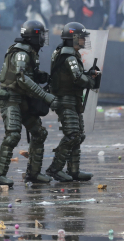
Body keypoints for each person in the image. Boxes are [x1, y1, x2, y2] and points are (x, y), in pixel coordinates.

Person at [0, 20, 56, 187]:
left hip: (24, 99)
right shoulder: (21, 53)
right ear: (33, 36)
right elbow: (22, 78)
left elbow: (28, 74)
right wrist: (45, 96)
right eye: (41, 35)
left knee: (39, 133)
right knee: (13, 135)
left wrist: (42, 76)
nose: (43, 38)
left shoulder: (30, 52)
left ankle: (33, 173)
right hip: (11, 99)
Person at [46, 22, 99, 182]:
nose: (83, 40)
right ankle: (55, 169)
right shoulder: (68, 56)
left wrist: (87, 74)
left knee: (78, 135)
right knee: (72, 135)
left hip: (71, 99)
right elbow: (77, 77)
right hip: (66, 99)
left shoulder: (66, 53)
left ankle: (74, 170)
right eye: (81, 37)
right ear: (72, 38)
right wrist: (90, 80)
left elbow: (73, 74)